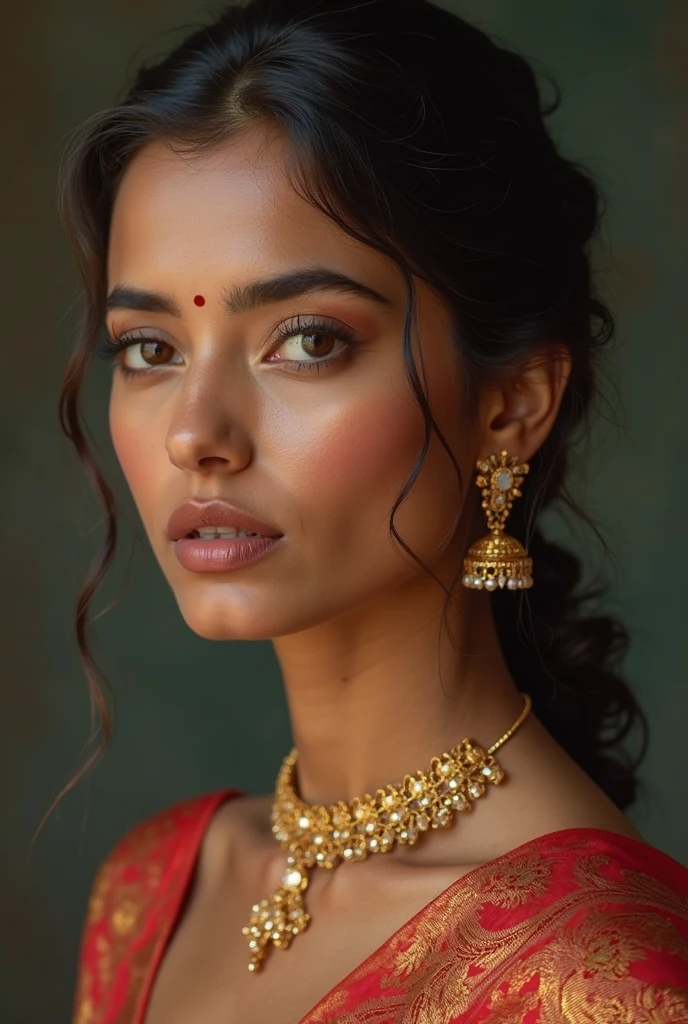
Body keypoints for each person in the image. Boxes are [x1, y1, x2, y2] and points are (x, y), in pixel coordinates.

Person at [56, 0, 688, 1020]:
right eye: (150, 347)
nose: (194, 432)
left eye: (306, 340)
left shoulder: (600, 981)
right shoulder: (152, 893)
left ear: (509, 403)